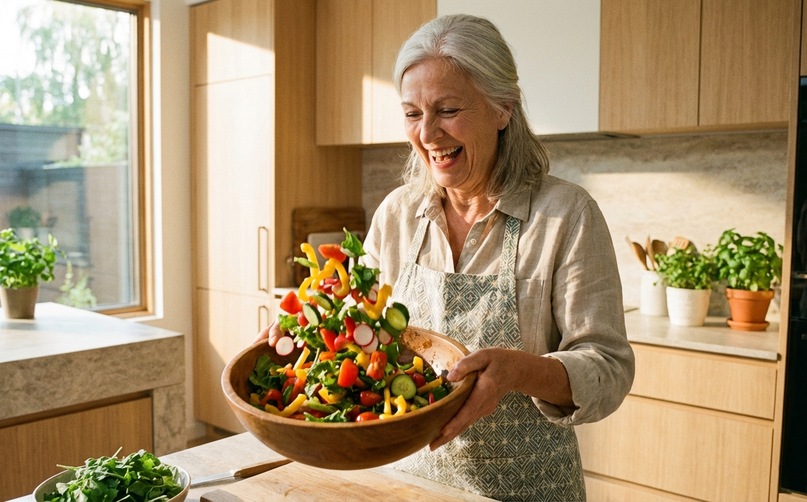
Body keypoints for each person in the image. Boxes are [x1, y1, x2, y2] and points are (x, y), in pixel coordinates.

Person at [258, 14, 634, 501]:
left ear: (503, 109)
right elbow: (358, 332)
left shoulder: (565, 215)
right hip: (407, 482)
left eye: (448, 109)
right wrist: (310, 330)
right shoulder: (398, 214)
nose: (428, 134)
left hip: (527, 488)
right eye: (413, 114)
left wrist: (520, 371)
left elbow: (608, 369)